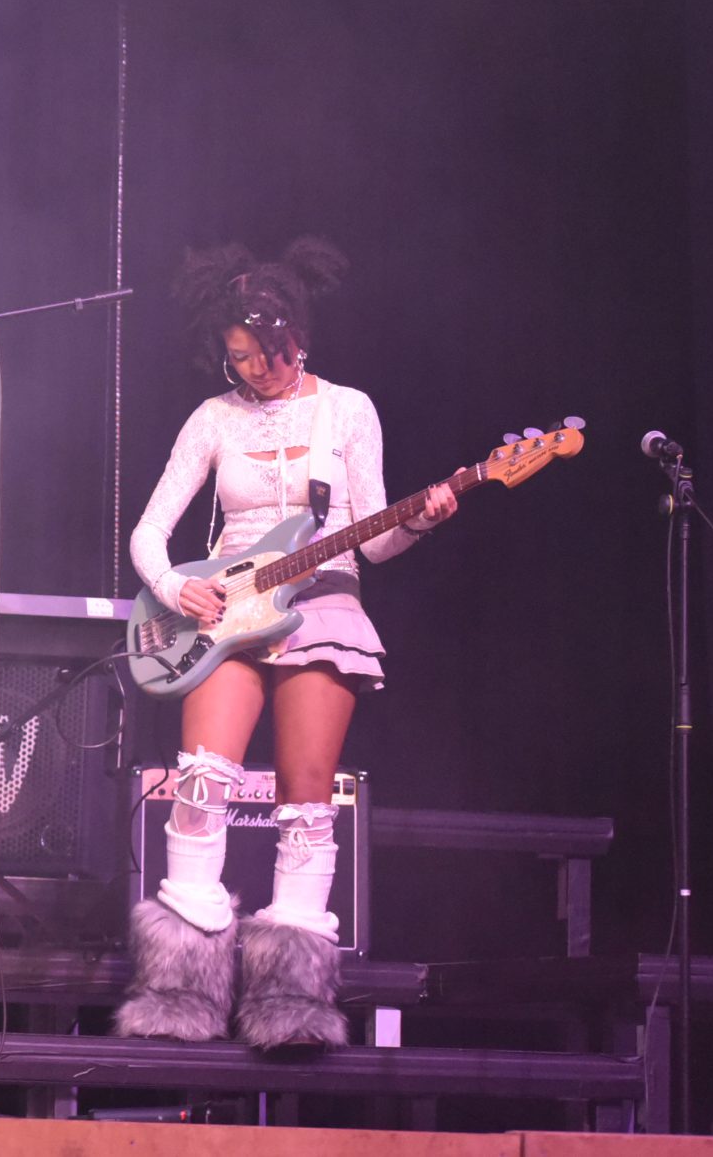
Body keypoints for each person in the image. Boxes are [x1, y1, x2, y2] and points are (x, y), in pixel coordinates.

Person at [114, 238, 456, 1051]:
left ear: (296, 336)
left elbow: (374, 540)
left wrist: (418, 520)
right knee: (201, 777)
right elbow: (149, 532)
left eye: (266, 355)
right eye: (237, 357)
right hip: (226, 612)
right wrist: (175, 587)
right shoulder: (213, 417)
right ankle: (178, 988)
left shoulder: (348, 410)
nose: (254, 370)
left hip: (323, 604)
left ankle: (291, 1001)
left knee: (306, 800)